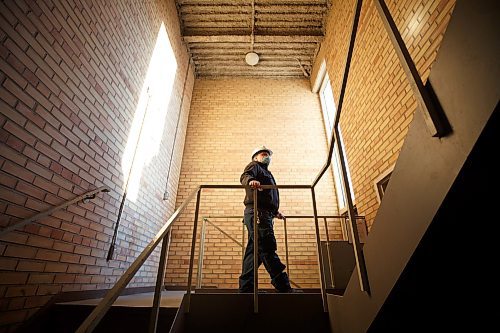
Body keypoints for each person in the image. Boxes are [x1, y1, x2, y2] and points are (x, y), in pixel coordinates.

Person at [238, 146, 293, 293]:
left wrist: (275, 212)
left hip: (264, 213)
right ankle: (283, 286)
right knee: (267, 247)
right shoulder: (254, 166)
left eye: (268, 155)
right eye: (264, 154)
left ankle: (246, 288)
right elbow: (245, 176)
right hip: (257, 214)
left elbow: (268, 197)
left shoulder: (267, 172)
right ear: (256, 157)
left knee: (254, 252)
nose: (267, 156)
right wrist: (251, 181)